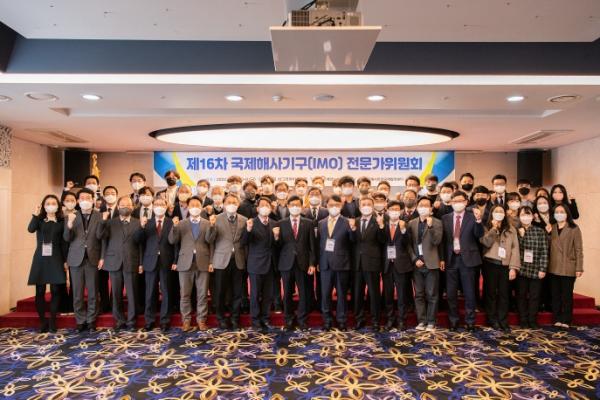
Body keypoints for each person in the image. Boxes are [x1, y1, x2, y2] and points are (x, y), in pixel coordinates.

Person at [97, 196, 142, 331]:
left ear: (132, 207)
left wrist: (140, 263)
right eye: (122, 205)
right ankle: (119, 320)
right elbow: (100, 237)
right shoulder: (110, 222)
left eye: (128, 205)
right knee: (116, 294)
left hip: (132, 260)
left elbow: (141, 245)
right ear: (117, 207)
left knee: (132, 293)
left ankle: (131, 321)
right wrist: (103, 221)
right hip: (114, 261)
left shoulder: (138, 222)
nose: (125, 207)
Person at [168, 196, 213, 331]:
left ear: (201, 207)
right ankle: (186, 320)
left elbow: (211, 242)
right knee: (185, 294)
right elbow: (172, 241)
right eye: (192, 205)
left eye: (197, 205)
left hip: (203, 262)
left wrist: (212, 226)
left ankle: (201, 320)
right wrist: (174, 227)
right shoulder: (181, 223)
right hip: (185, 262)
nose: (195, 207)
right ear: (187, 207)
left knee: (202, 294)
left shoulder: (207, 223)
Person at [442, 191, 484, 331]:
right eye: (455, 201)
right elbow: (442, 241)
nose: (458, 203)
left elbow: (479, 235)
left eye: (460, 201)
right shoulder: (445, 218)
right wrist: (442, 258)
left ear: (466, 202)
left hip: (468, 259)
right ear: (451, 203)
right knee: (451, 293)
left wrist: (479, 221)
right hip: (450, 259)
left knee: (469, 292)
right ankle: (453, 321)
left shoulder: (473, 217)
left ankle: (470, 321)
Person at [274, 195, 316, 331]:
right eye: (292, 205)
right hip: (286, 263)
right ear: (288, 206)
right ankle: (289, 320)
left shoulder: (309, 223)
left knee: (303, 293)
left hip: (303, 263)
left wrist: (312, 263)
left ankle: (302, 320)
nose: (295, 207)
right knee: (287, 294)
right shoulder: (281, 223)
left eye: (298, 205)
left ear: (302, 206)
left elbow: (312, 246)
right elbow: (278, 246)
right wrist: (276, 237)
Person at [135, 197, 177, 332]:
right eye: (157, 204)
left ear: (166, 207)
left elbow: (176, 244)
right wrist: (141, 227)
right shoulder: (147, 222)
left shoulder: (171, 222)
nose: (159, 206)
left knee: (166, 292)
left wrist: (175, 260)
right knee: (150, 292)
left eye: (162, 204)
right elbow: (138, 241)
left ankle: (165, 321)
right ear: (153, 207)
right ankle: (149, 320)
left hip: (166, 261)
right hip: (150, 261)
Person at [206, 194, 247, 330]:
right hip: (221, 260)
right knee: (220, 291)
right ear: (224, 204)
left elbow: (245, 242)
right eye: (229, 202)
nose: (232, 204)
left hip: (238, 260)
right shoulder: (216, 218)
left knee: (237, 292)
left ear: (238, 204)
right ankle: (221, 318)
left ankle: (235, 318)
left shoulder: (244, 220)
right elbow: (209, 240)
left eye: (234, 202)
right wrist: (211, 226)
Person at [63, 188, 102, 333]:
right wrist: (69, 225)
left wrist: (102, 257)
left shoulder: (99, 216)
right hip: (76, 258)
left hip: (93, 258)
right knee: (77, 293)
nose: (85, 200)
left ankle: (91, 320)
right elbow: (67, 238)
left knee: (93, 292)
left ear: (93, 199)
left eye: (88, 198)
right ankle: (80, 320)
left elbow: (102, 238)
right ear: (78, 201)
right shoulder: (71, 216)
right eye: (82, 198)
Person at [28, 194, 68, 333]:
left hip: (56, 257)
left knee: (56, 290)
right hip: (41, 258)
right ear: (44, 206)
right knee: (40, 291)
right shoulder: (39, 220)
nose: (51, 205)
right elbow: (30, 229)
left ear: (58, 206)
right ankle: (42, 322)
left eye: (53, 203)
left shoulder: (61, 221)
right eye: (48, 203)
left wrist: (65, 260)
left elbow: (64, 243)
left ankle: (52, 321)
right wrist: (35, 214)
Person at [318, 195, 356, 331]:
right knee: (325, 294)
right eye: (331, 205)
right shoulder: (321, 223)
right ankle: (327, 321)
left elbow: (353, 242)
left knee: (341, 294)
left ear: (341, 206)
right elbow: (319, 244)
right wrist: (318, 262)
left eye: (337, 205)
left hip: (342, 263)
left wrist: (353, 229)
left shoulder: (347, 222)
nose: (334, 207)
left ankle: (342, 321)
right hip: (325, 264)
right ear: (326, 206)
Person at [480, 204, 520, 332]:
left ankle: (503, 320)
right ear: (491, 213)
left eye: (501, 211)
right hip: (490, 263)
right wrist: (494, 228)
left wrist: (513, 267)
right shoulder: (485, 227)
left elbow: (515, 249)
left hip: (505, 265)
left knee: (504, 294)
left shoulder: (511, 229)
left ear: (505, 214)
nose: (498, 213)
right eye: (496, 211)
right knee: (490, 293)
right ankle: (492, 320)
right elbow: (485, 243)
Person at [240, 197, 277, 331]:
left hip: (270, 264)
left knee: (268, 295)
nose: (265, 207)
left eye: (267, 205)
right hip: (255, 264)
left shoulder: (274, 223)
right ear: (257, 208)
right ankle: (255, 321)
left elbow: (277, 245)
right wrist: (248, 230)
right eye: (262, 205)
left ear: (271, 209)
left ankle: (265, 319)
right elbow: (243, 242)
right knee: (255, 294)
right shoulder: (251, 222)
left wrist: (277, 238)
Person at [407, 197, 443, 332]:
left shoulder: (437, 222)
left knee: (432, 294)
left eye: (426, 205)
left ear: (431, 208)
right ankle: (421, 321)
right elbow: (408, 245)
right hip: (417, 264)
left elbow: (437, 241)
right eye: (421, 205)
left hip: (431, 263)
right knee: (419, 294)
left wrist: (430, 226)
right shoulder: (411, 223)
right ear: (417, 207)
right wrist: (414, 259)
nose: (423, 207)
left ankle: (431, 321)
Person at [353, 196, 386, 331]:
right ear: (360, 207)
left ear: (372, 207)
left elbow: (383, 240)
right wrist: (352, 230)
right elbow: (351, 241)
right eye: (363, 204)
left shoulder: (378, 221)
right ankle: (359, 319)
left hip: (372, 262)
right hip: (357, 263)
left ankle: (375, 321)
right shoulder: (355, 221)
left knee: (374, 293)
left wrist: (382, 226)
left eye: (368, 204)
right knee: (357, 293)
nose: (366, 206)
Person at [548, 204, 583, 329]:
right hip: (554, 266)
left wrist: (579, 267)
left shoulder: (574, 228)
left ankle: (566, 320)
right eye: (557, 212)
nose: (559, 214)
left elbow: (578, 249)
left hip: (568, 266)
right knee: (555, 295)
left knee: (566, 296)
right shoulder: (552, 228)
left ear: (567, 213)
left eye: (562, 211)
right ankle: (557, 318)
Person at [516, 206, 548, 329]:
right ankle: (523, 319)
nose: (525, 217)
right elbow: (515, 250)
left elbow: (544, 251)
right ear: (519, 217)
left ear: (532, 216)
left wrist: (542, 269)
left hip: (536, 268)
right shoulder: (516, 231)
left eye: (528, 214)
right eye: (523, 215)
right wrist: (521, 236)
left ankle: (532, 319)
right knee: (521, 295)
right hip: (521, 268)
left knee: (535, 296)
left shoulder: (540, 231)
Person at [381, 200, 411, 330]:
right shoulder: (383, 225)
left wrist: (403, 230)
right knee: (388, 295)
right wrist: (381, 227)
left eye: (397, 209)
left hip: (401, 264)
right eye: (392, 209)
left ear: (401, 211)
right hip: (387, 264)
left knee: (401, 295)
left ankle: (401, 320)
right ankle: (390, 319)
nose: (394, 211)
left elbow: (407, 242)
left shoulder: (405, 224)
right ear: (387, 211)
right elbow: (380, 241)